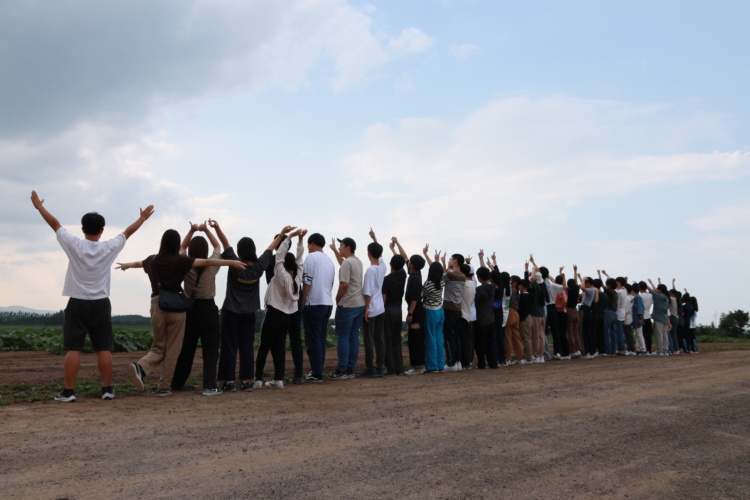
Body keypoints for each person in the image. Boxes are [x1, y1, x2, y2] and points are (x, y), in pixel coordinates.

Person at [30, 191, 154, 402]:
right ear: (102, 230)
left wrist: (39, 207)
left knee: (73, 348)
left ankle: (69, 392)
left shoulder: (74, 244)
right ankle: (107, 389)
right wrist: (142, 218)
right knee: (103, 348)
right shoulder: (109, 247)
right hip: (101, 304)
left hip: (77, 302)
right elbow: (127, 232)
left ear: (83, 229)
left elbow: (55, 224)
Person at [118, 229, 246, 396]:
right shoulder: (184, 262)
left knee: (176, 348)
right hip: (195, 309)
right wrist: (229, 260)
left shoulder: (161, 260)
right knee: (204, 349)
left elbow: (141, 263)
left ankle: (170, 379)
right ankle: (203, 386)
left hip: (166, 306)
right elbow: (214, 251)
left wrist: (128, 265)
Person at [213, 225, 284, 391]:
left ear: (240, 250)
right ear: (253, 250)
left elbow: (225, 243)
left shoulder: (235, 263)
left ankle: (228, 381)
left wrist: (215, 227)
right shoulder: (259, 267)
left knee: (229, 346)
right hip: (250, 313)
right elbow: (270, 248)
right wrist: (281, 234)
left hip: (231, 311)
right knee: (247, 347)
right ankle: (246, 380)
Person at [170, 221, 224, 396]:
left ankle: (177, 383)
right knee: (210, 350)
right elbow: (218, 245)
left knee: (186, 349)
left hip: (189, 309)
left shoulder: (185, 263)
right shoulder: (212, 263)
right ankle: (209, 386)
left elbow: (181, 248)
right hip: (208, 308)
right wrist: (207, 230)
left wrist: (191, 230)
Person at [254, 228, 306, 389]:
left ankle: (257, 379)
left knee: (264, 346)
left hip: (274, 313)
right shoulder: (297, 278)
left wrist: (289, 236)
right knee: (279, 347)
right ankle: (278, 379)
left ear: (283, 263)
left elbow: (279, 256)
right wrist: (300, 242)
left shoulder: (280, 274)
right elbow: (300, 261)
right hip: (288, 316)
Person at [329, 235, 366, 380]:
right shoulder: (357, 261)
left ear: (348, 248)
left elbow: (344, 285)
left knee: (342, 337)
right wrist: (334, 251)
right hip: (359, 304)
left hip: (347, 304)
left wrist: (337, 299)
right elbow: (344, 265)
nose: (339, 248)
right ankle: (350, 369)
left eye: (341, 246)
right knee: (353, 337)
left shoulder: (347, 264)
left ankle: (342, 369)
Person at [301, 233, 335, 383]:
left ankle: (316, 373)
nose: (308, 248)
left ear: (312, 243)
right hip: (327, 303)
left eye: (308, 245)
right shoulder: (330, 261)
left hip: (314, 303)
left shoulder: (311, 257)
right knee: (320, 339)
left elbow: (307, 281)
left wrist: (303, 300)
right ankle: (318, 370)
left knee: (313, 340)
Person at [424, 247, 465, 371]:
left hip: (449, 308)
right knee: (456, 337)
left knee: (448, 337)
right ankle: (457, 362)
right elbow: (442, 273)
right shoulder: (462, 275)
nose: (449, 261)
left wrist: (431, 257)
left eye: (451, 259)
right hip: (458, 309)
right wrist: (441, 262)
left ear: (456, 261)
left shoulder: (450, 275)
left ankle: (451, 363)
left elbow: (436, 272)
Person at [393, 238, 426, 376]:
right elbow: (404, 257)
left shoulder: (413, 279)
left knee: (415, 340)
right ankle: (418, 366)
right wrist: (396, 245)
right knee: (414, 340)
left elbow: (414, 299)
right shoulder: (416, 273)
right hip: (418, 311)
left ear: (412, 265)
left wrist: (410, 313)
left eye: (410, 261)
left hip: (416, 312)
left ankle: (418, 367)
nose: (408, 262)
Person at [358, 230, 388, 377]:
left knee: (369, 340)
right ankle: (380, 367)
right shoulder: (383, 268)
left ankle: (370, 368)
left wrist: (366, 310)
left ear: (369, 252)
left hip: (372, 308)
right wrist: (374, 238)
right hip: (381, 308)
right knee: (379, 339)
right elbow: (380, 255)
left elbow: (368, 292)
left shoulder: (370, 270)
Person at [382, 239, 407, 376]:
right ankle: (400, 368)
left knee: (388, 339)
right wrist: (395, 246)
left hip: (388, 310)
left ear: (390, 264)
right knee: (397, 340)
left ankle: (390, 368)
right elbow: (403, 259)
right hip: (399, 310)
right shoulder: (402, 276)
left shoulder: (387, 279)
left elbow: (383, 299)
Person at [422, 251, 446, 373]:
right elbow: (439, 270)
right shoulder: (442, 281)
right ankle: (441, 365)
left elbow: (422, 296)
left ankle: (432, 366)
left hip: (430, 311)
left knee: (430, 338)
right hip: (440, 311)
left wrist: (434, 260)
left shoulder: (428, 284)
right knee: (438, 337)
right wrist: (438, 260)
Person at [647, 279, 671, 356]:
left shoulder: (659, 297)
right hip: (664, 319)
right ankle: (665, 350)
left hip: (658, 318)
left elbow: (652, 291)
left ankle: (659, 350)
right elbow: (655, 291)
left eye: (658, 288)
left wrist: (647, 285)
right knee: (665, 335)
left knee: (659, 335)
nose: (657, 289)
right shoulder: (666, 298)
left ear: (660, 290)